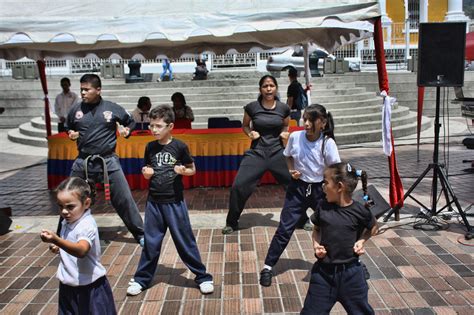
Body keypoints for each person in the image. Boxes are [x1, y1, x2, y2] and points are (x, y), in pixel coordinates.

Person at [127, 105, 214, 296]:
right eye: (152, 125)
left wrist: (184, 171)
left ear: (170, 126)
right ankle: (141, 280)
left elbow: (193, 169)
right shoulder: (149, 146)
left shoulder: (180, 146)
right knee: (150, 243)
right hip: (154, 203)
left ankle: (203, 277)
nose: (154, 130)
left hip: (175, 202)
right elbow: (147, 171)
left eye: (158, 126)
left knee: (185, 241)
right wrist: (147, 174)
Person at [259, 104, 340, 287]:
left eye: (312, 120)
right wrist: (291, 170)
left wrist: (330, 188)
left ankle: (353, 262)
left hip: (321, 190)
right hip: (297, 189)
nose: (307, 123)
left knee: (332, 226)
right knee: (285, 228)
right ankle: (268, 266)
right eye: (305, 118)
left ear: (323, 123)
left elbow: (335, 169)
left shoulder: (327, 143)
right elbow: (288, 156)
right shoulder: (295, 137)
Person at [222, 75, 310, 235]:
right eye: (265, 86)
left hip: (278, 152)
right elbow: (245, 125)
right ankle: (231, 222)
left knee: (294, 184)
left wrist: (285, 133)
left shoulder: (283, 108)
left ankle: (303, 220)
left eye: (271, 85)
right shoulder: (252, 107)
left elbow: (285, 125)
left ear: (276, 88)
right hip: (257, 152)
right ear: (260, 89)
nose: (268, 89)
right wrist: (250, 133)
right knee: (238, 186)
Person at [65, 74, 144, 245]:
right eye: (81, 90)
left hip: (108, 161)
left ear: (98, 90)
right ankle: (63, 235)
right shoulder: (75, 110)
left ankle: (141, 234)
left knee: (124, 198)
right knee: (69, 196)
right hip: (83, 162)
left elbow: (130, 122)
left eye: (87, 89)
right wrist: (71, 133)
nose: (83, 93)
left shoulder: (112, 108)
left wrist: (126, 131)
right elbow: (68, 127)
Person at [300, 162, 378, 315]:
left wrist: (361, 241)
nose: (323, 186)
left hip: (352, 275)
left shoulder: (359, 211)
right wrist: (316, 245)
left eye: (326, 182)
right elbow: (316, 229)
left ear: (339, 187)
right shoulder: (322, 207)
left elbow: (373, 228)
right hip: (323, 275)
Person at [40, 177, 116, 315]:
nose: (64, 211)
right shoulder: (68, 221)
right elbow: (71, 243)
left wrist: (57, 240)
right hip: (69, 285)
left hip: (89, 288)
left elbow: (81, 250)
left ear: (86, 203)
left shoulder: (86, 225)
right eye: (60, 206)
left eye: (70, 206)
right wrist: (59, 247)